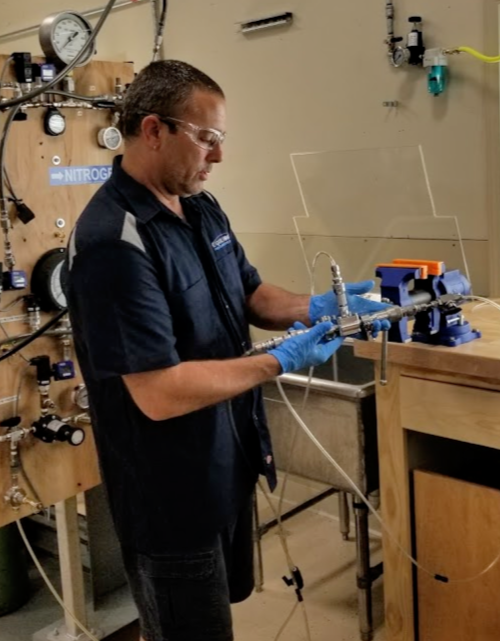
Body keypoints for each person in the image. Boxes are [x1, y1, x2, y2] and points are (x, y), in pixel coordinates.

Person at [63, 59, 389, 641]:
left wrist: (318, 307)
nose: (218, 156)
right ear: (155, 130)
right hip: (170, 495)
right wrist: (279, 360)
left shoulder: (199, 206)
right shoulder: (113, 244)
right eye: (207, 139)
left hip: (225, 466)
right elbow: (159, 394)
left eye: (221, 140)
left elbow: (252, 294)